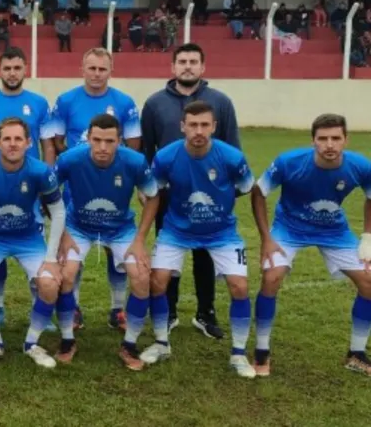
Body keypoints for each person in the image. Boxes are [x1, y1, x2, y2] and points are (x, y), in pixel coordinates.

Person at [140, 101, 256, 379]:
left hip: (222, 232)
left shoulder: (232, 157)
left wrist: (218, 203)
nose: (199, 131)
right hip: (176, 230)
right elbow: (153, 192)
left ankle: (239, 354)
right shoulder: (166, 157)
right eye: (193, 125)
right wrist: (142, 233)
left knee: (239, 286)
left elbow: (246, 187)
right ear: (183, 126)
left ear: (214, 127)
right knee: (157, 281)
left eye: (205, 125)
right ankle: (161, 343)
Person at [250, 114, 371, 376]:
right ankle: (261, 351)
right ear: (313, 141)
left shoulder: (360, 165)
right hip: (289, 228)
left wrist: (368, 238)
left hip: (334, 231)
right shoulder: (289, 162)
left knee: (369, 281)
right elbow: (258, 192)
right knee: (271, 276)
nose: (330, 144)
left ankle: (356, 354)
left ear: (346, 140)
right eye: (323, 138)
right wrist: (266, 239)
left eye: (336, 138)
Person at [140, 43, 241, 339]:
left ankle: (205, 313)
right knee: (168, 255)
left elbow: (232, 147)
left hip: (210, 194)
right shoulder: (155, 103)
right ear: (173, 67)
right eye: (182, 61)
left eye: (193, 61)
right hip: (169, 195)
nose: (187, 66)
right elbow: (147, 148)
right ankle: (169, 311)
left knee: (205, 254)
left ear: (202, 67)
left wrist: (226, 191)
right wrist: (146, 187)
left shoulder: (220, 101)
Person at [54, 114, 160, 371]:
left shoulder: (135, 161)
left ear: (119, 141)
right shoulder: (69, 159)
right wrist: (63, 234)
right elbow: (48, 193)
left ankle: (130, 345)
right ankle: (67, 340)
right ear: (88, 138)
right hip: (78, 226)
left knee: (141, 276)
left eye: (110, 141)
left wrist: (140, 239)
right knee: (65, 274)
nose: (102, 147)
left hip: (121, 229)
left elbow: (153, 196)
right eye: (97, 140)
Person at [48, 47, 142, 331]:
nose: (97, 74)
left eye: (102, 69)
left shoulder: (124, 102)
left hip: (113, 187)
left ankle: (117, 308)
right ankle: (74, 307)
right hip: (77, 185)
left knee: (116, 251)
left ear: (111, 70)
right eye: (92, 68)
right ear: (82, 69)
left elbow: (134, 144)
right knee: (73, 251)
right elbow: (57, 141)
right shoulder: (66, 100)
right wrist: (79, 163)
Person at [0, 117, 66, 368]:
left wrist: (51, 258)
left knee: (50, 284)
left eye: (18, 139)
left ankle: (32, 343)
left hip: (28, 238)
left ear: (29, 143)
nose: (12, 144)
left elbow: (58, 212)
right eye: (7, 139)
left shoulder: (41, 171)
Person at [0, 47, 55, 327]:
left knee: (34, 249)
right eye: (7, 68)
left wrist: (46, 185)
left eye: (17, 68)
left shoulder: (39, 103)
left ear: (25, 69)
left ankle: (39, 310)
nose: (12, 73)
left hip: (30, 189)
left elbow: (48, 145)